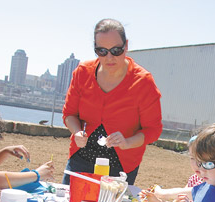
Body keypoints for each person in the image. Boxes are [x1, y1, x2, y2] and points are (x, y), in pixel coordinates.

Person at [62, 18, 162, 186]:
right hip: (81, 158)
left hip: (121, 165)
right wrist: (77, 131)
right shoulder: (82, 72)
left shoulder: (143, 82)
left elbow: (153, 130)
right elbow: (69, 114)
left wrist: (127, 142)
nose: (109, 57)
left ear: (126, 46)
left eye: (116, 50)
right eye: (101, 51)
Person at [140, 135, 203, 202]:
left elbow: (198, 191)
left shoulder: (214, 185)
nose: (196, 164)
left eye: (202, 159)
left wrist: (161, 193)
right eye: (192, 158)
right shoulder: (194, 179)